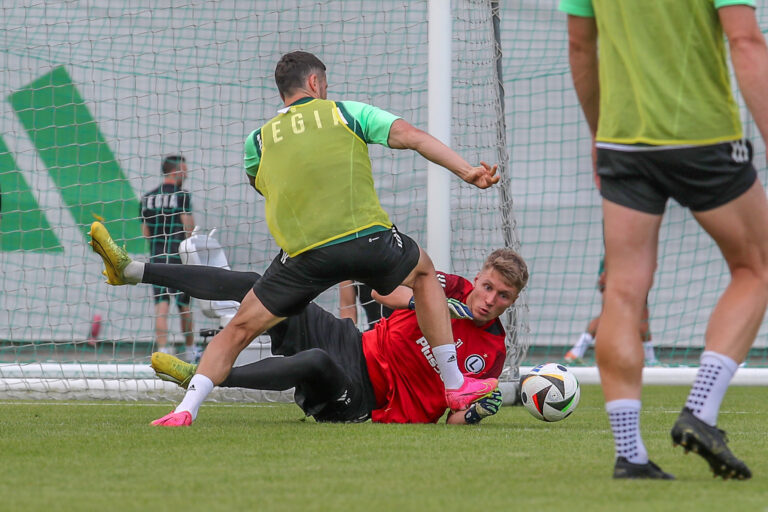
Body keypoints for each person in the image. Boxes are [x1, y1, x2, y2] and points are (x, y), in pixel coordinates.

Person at [91, 51, 501, 427]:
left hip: (307, 255)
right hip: (367, 239)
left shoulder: (258, 140)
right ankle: (454, 382)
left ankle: (184, 410)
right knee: (425, 274)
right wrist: (466, 171)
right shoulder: (345, 113)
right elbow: (411, 135)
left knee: (238, 329)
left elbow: (262, 183)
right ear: (316, 84)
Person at [561, 0, 768, 480]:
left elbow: (579, 45)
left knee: (623, 291)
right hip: (702, 135)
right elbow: (745, 39)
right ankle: (700, 410)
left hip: (622, 141)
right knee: (755, 266)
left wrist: (600, 134)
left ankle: (630, 455)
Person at [90, 225, 526, 424]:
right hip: (355, 342)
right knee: (259, 288)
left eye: (502, 296)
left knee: (315, 362)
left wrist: (473, 415)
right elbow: (382, 293)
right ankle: (133, 269)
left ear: (513, 301)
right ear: (480, 275)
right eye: (488, 286)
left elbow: (455, 412)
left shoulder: (493, 351)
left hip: (367, 399)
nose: (489, 299)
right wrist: (433, 305)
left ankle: (205, 377)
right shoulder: (448, 286)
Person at [139, 154, 198, 363]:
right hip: (178, 256)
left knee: (161, 306)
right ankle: (191, 351)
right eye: (185, 169)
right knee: (184, 306)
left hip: (156, 257)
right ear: (176, 171)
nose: (187, 174)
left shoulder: (147, 198)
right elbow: (188, 226)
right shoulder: (182, 195)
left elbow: (146, 232)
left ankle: (163, 351)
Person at [565, 258, 659, 366]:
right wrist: (606, 276)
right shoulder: (620, 250)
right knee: (609, 314)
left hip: (635, 276)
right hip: (618, 275)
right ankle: (576, 352)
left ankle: (650, 359)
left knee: (642, 316)